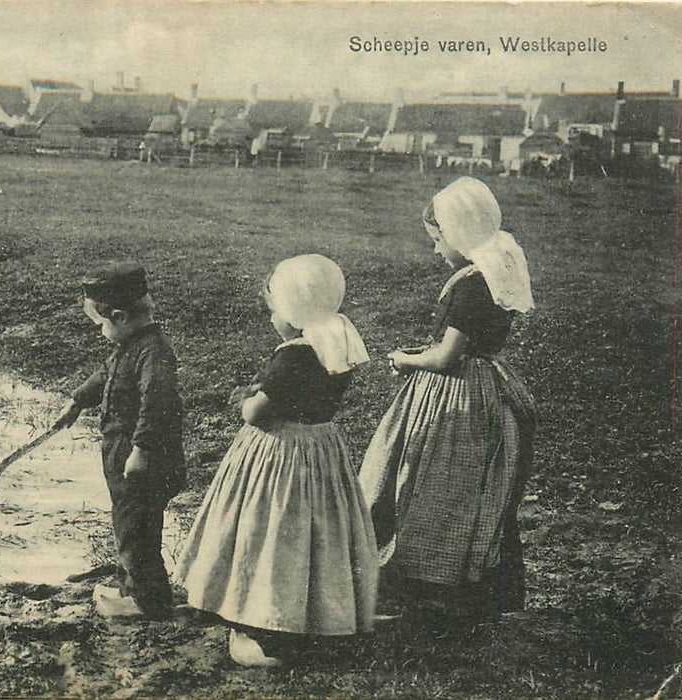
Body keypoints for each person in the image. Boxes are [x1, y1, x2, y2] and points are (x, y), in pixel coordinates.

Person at [175, 254, 378, 667]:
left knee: (271, 532)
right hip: (321, 448)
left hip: (280, 455)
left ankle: (266, 626)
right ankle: (318, 614)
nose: (273, 319)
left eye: (274, 311)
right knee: (316, 535)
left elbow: (258, 413)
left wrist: (246, 401)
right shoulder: (335, 341)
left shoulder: (294, 355)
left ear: (293, 311)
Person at [359, 176, 536, 625]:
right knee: (474, 491)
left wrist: (405, 359)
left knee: (435, 484)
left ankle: (431, 589)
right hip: (487, 385)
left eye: (438, 239)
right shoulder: (494, 271)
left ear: (458, 233)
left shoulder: (471, 285)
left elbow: (449, 357)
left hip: (458, 397)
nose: (436, 250)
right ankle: (466, 588)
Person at [54, 262, 185, 621]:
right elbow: (105, 375)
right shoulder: (129, 345)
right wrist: (78, 400)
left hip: (140, 459)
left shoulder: (152, 353)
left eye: (100, 324)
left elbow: (158, 401)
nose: (100, 332)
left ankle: (145, 601)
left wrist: (141, 450)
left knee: (136, 528)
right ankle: (134, 586)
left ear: (120, 316)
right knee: (129, 523)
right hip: (123, 454)